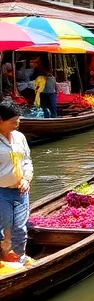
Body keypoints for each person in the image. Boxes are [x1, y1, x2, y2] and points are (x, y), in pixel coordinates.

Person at [0, 99, 34, 262]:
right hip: (1, 192)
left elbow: (26, 160)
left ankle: (19, 259)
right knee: (3, 229)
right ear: (1, 120)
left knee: (20, 228)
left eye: (18, 119)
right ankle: (5, 259)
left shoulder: (19, 137)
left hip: (20, 191)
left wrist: (26, 179)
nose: (17, 123)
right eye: (13, 121)